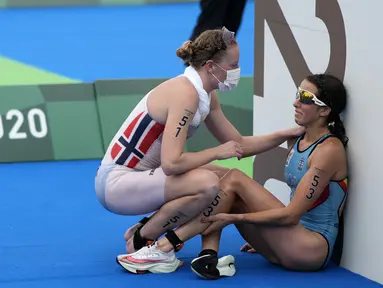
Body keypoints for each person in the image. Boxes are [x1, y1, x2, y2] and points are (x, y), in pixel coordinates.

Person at [95, 26, 303, 265]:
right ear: (210, 67)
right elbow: (171, 163)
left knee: (226, 178)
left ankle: (144, 230)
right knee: (207, 183)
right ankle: (145, 242)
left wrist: (290, 132)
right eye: (233, 65)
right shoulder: (186, 94)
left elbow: (239, 145)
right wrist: (215, 152)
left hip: (141, 178)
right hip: (117, 184)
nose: (237, 71)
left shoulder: (206, 94)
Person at [116, 73, 349, 278]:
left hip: (310, 250)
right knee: (218, 180)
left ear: (325, 111)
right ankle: (208, 256)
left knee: (235, 179)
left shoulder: (328, 150)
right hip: (289, 241)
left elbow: (290, 216)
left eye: (306, 98)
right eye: (298, 93)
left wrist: (236, 219)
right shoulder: (300, 138)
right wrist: (267, 237)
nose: (295, 102)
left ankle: (165, 246)